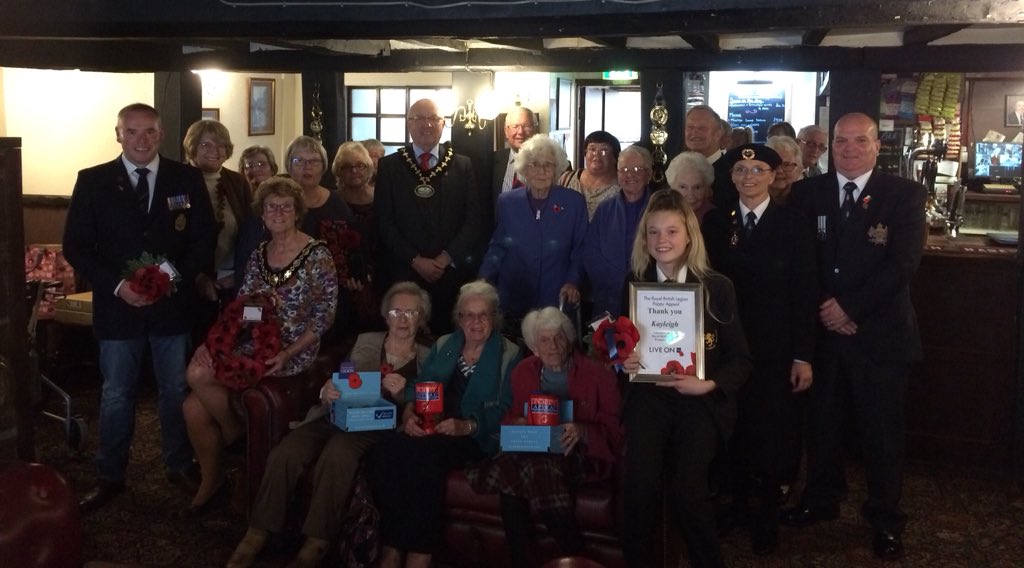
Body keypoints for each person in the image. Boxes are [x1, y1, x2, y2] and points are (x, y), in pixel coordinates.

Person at [784, 113, 927, 561]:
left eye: (858, 140)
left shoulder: (903, 195)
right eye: (840, 141)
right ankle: (822, 500)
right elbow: (801, 261)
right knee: (822, 425)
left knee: (881, 434)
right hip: (824, 336)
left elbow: (902, 264)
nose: (848, 148)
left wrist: (850, 308)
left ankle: (885, 519)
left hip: (879, 337)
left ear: (876, 145)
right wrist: (828, 308)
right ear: (830, 145)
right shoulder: (808, 193)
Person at [64, 103, 217, 513]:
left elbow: (203, 239)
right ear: (118, 134)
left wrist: (172, 279)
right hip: (119, 310)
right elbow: (76, 246)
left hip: (171, 308)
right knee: (116, 394)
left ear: (161, 133)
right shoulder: (93, 181)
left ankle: (179, 465)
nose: (140, 139)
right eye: (131, 132)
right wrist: (118, 286)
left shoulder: (185, 179)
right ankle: (110, 474)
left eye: (148, 131)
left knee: (173, 392)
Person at [226, 281, 431, 568]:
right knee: (288, 451)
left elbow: (427, 402)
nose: (403, 319)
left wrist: (405, 392)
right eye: (397, 312)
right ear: (386, 316)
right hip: (335, 414)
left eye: (412, 313)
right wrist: (328, 390)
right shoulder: (366, 340)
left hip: (376, 426)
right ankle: (257, 532)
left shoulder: (428, 357)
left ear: (421, 319)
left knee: (338, 454)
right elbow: (341, 377)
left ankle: (316, 542)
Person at [182, 177, 338, 516]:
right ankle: (216, 474)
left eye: (285, 206)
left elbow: (325, 315)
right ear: (262, 215)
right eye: (271, 207)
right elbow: (244, 309)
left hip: (294, 350)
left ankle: (232, 436)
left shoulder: (317, 253)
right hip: (253, 343)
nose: (278, 212)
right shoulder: (257, 255)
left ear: (297, 212)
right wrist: (216, 344)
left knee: (197, 387)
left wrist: (287, 351)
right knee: (194, 390)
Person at [620, 189, 751, 568]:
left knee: (688, 491)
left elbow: (741, 359)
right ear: (644, 239)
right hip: (649, 401)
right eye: (654, 232)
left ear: (689, 236)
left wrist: (707, 384)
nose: (662, 241)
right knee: (640, 487)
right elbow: (619, 345)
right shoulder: (633, 282)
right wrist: (624, 360)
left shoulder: (717, 287)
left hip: (699, 402)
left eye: (672, 232)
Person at [701, 143, 817, 555]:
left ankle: (767, 511)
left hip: (774, 351)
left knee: (770, 434)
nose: (748, 177)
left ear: (774, 175)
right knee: (731, 429)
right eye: (741, 169)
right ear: (730, 177)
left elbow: (805, 293)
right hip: (728, 350)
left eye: (757, 169)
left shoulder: (793, 223)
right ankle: (734, 504)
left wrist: (804, 355)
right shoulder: (716, 223)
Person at [366, 280, 522, 568]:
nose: (475, 322)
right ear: (459, 319)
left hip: (475, 436)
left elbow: (507, 409)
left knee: (425, 456)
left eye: (483, 315)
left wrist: (467, 426)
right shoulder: (444, 344)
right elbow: (420, 385)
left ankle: (418, 553)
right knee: (388, 450)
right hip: (434, 426)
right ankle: (391, 547)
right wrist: (410, 412)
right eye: (468, 315)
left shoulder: (509, 354)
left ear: (494, 318)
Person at [465, 307, 623, 567]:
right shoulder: (523, 372)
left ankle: (563, 555)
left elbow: (617, 432)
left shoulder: (598, 374)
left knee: (517, 470)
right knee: (521, 467)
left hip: (582, 454)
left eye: (558, 337)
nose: (553, 346)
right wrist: (518, 422)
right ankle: (569, 555)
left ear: (569, 338)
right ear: (534, 346)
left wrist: (582, 430)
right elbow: (511, 419)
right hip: (535, 452)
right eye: (544, 340)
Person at [375, 98, 482, 336]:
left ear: (443, 124)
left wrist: (445, 258)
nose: (427, 125)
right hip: (404, 273)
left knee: (448, 339)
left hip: (450, 274)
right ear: (408, 124)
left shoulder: (462, 165)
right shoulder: (389, 166)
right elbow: (384, 222)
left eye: (433, 119)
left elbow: (473, 220)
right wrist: (415, 260)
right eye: (419, 119)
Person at [479, 134, 586, 334]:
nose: (541, 171)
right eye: (534, 164)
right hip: (513, 293)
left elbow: (580, 249)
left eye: (548, 165)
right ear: (524, 168)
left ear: (557, 169)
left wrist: (573, 281)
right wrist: (483, 280)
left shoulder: (574, 202)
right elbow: (498, 246)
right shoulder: (507, 202)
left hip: (556, 295)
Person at [182, 119, 252, 302]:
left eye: (221, 145)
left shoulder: (238, 182)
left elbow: (250, 232)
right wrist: (197, 278)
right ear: (192, 146)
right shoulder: (176, 180)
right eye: (205, 144)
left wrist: (238, 273)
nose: (215, 150)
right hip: (185, 282)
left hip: (228, 281)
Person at [582, 144, 653, 318]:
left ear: (648, 174)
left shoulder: (660, 207)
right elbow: (591, 252)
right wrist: (618, 282)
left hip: (650, 298)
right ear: (618, 174)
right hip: (608, 298)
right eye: (624, 170)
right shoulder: (605, 208)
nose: (630, 175)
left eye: (637, 169)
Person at [332, 140, 381, 331]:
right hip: (344, 277)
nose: (354, 171)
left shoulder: (381, 196)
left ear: (368, 167)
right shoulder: (332, 200)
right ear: (338, 171)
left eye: (360, 165)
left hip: (379, 272)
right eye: (347, 167)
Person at [558, 130, 621, 220]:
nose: (597, 155)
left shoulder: (622, 187)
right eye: (592, 149)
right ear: (585, 153)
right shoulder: (567, 179)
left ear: (615, 157)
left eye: (604, 150)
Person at [683, 105, 735, 211]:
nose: (694, 133)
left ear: (718, 134)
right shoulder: (676, 168)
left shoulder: (732, 173)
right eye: (690, 127)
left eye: (702, 128)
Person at [665, 150, 716, 224]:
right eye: (683, 187)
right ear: (671, 188)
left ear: (706, 189)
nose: (690, 195)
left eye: (697, 187)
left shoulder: (716, 219)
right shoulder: (660, 215)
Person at [765, 135, 804, 204]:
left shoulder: (808, 201)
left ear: (799, 170)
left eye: (787, 165)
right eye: (774, 164)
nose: (779, 171)